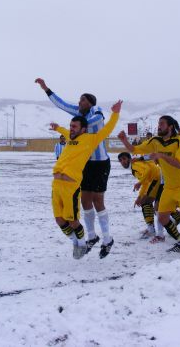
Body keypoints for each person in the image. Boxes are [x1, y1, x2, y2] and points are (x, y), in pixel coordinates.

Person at [35, 78, 113, 255]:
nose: (79, 103)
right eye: (78, 101)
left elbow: (96, 121)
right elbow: (61, 104)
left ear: (90, 102)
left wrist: (80, 125)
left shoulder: (96, 111)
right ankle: (92, 236)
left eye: (82, 100)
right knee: (85, 201)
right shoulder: (80, 114)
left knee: (97, 201)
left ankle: (107, 238)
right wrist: (46, 88)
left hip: (100, 162)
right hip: (84, 165)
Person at [50, 100, 122, 259]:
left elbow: (107, 129)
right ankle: (80, 240)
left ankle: (88, 243)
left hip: (79, 179)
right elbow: (65, 129)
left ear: (83, 129)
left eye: (74, 127)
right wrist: (57, 128)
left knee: (77, 216)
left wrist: (115, 114)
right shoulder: (70, 136)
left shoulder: (90, 138)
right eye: (71, 126)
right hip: (57, 183)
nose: (71, 129)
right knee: (62, 217)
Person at [118, 115, 180, 252]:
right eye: (158, 123)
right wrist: (124, 140)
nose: (159, 126)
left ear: (170, 127)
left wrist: (161, 156)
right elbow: (135, 150)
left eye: (162, 123)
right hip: (168, 186)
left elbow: (179, 164)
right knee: (162, 217)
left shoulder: (179, 140)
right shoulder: (155, 141)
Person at [117, 152, 162, 239]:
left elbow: (147, 171)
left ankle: (151, 229)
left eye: (124, 159)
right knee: (157, 206)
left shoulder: (134, 165)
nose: (122, 161)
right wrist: (139, 196)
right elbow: (145, 181)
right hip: (157, 178)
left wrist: (139, 183)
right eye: (120, 160)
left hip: (156, 178)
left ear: (129, 159)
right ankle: (155, 227)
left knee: (146, 202)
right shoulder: (134, 166)